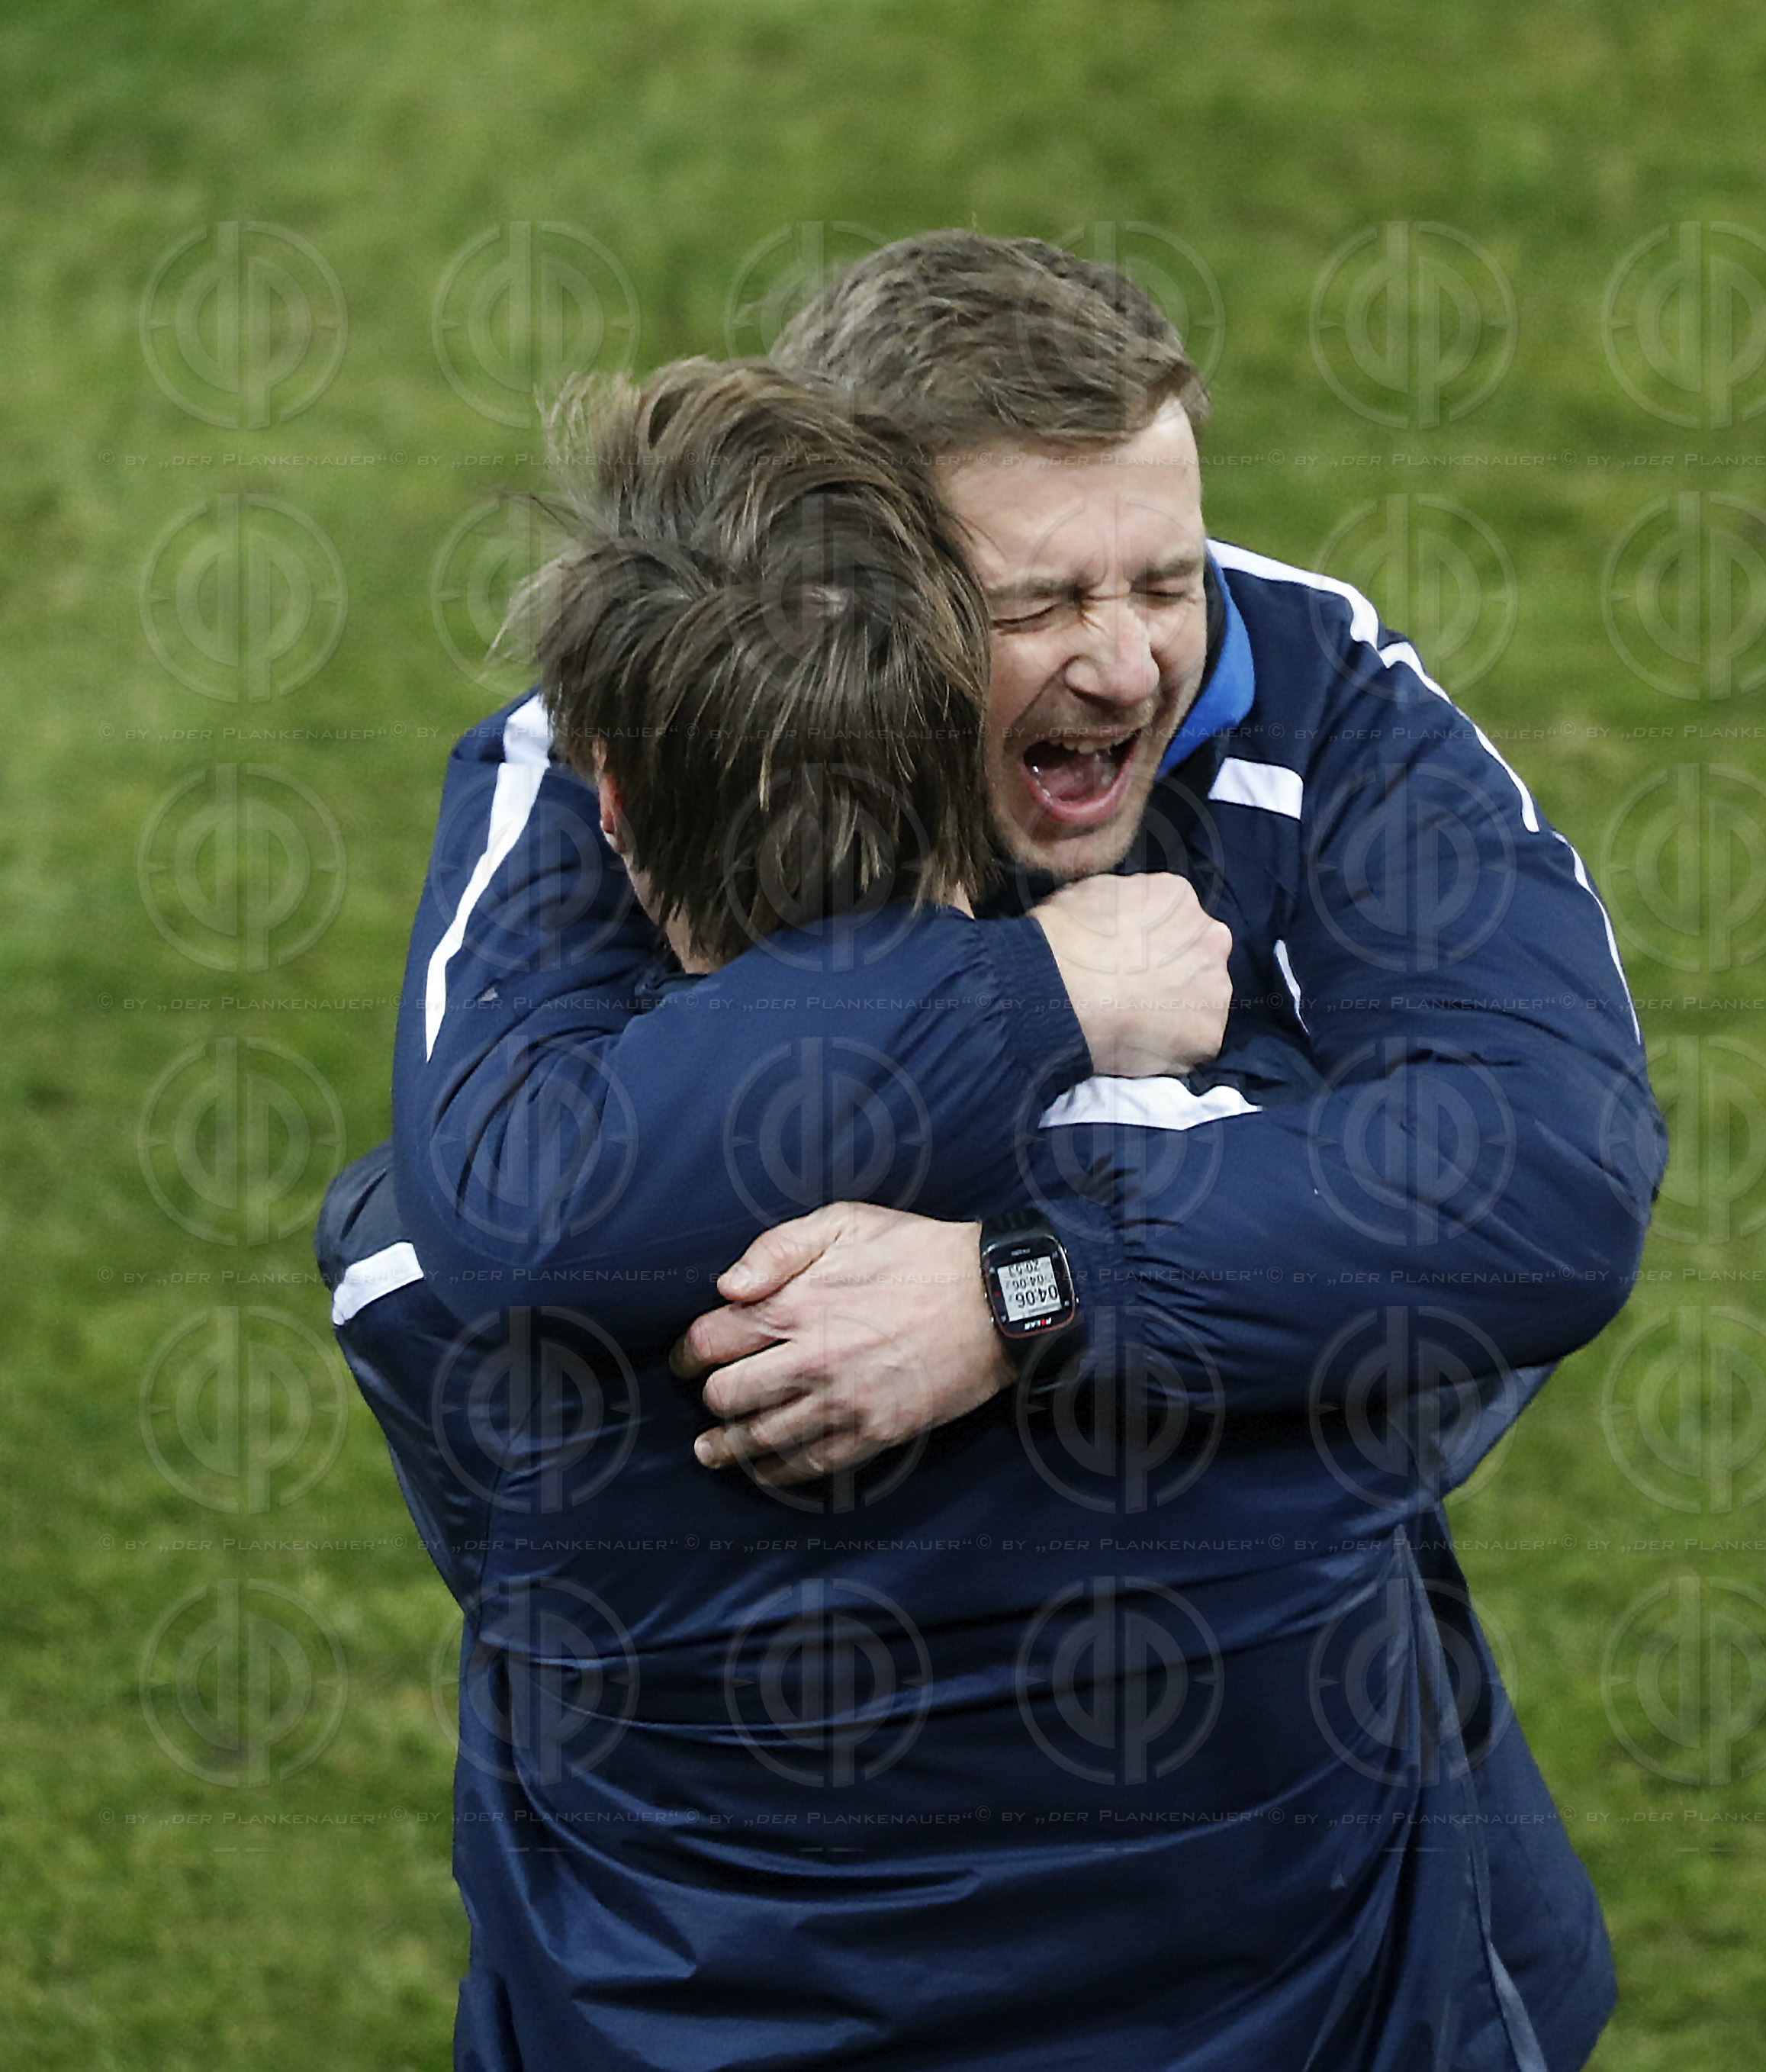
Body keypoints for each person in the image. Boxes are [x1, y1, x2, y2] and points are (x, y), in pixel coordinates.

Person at [327, 236, 1663, 2069]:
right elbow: (522, 1207)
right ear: (851, 574)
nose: (1133, 665)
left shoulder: (1325, 691)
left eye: (1169, 577)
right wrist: (1030, 997)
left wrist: (1021, 1285)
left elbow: (1553, 1175)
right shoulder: (604, 734)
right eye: (1040, 599)